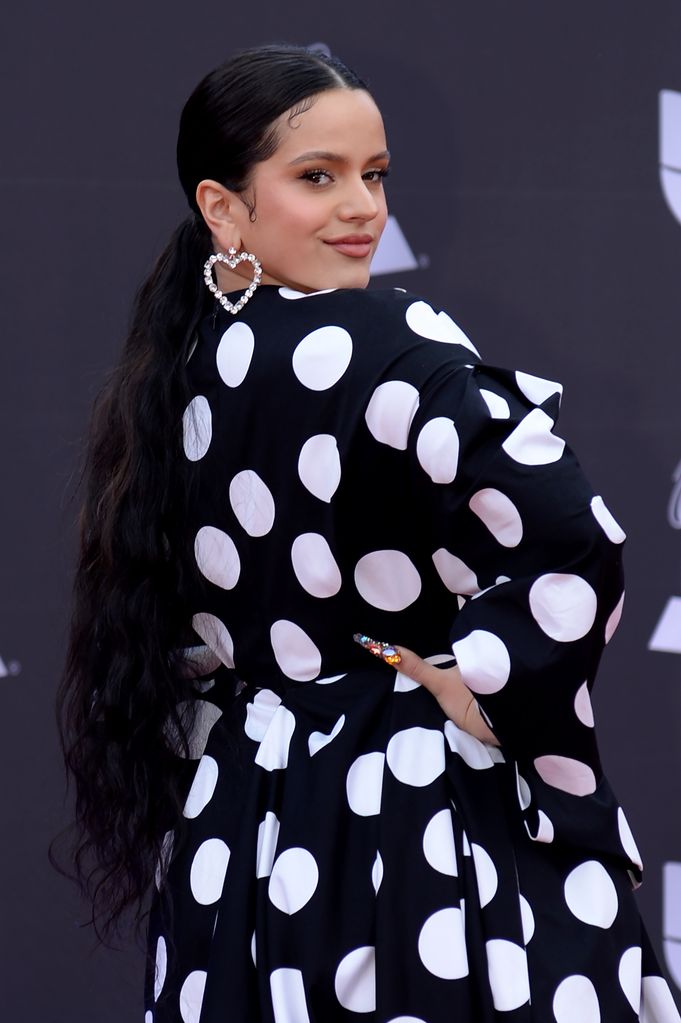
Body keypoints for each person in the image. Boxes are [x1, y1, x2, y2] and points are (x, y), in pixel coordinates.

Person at [57, 43, 681, 1023]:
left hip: (244, 830)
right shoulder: (394, 345)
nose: (364, 209)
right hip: (412, 816)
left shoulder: (175, 373)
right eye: (319, 177)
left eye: (375, 175)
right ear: (223, 208)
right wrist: (480, 680)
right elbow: (577, 540)